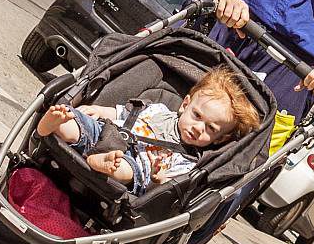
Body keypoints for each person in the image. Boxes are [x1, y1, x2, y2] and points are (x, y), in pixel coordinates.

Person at [33, 67, 261, 194]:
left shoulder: (190, 161)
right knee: (81, 124)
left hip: (134, 163)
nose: (198, 128)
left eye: (210, 128)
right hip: (108, 133)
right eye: (197, 116)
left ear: (222, 139)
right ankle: (54, 125)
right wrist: (98, 109)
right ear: (185, 105)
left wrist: (158, 178)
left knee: (127, 170)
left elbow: (166, 186)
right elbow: (123, 114)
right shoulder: (158, 109)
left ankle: (102, 164)